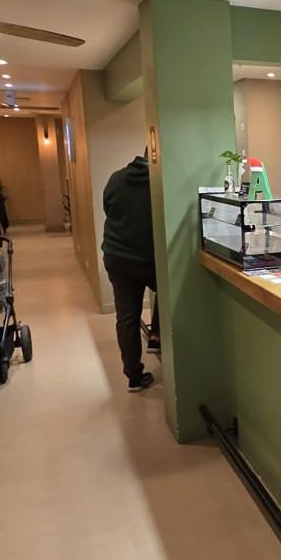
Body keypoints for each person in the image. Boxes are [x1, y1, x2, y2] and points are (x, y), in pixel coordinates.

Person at [101, 151, 160, 391]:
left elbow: (108, 210)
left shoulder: (115, 179)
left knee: (126, 317)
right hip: (149, 259)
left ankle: (134, 376)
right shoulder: (160, 183)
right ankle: (156, 336)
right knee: (169, 288)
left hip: (117, 259)